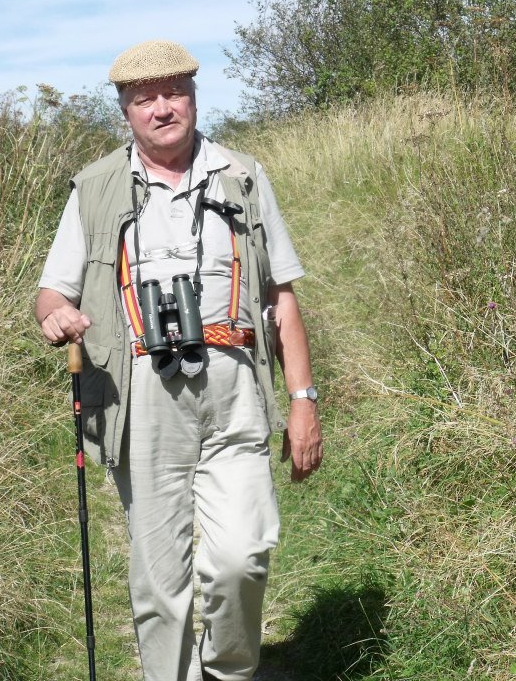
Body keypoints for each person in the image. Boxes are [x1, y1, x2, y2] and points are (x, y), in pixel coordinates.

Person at [34, 39, 323, 681]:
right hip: (142, 396)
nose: (163, 109)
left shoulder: (242, 175)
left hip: (237, 390)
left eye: (174, 93)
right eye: (146, 99)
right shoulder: (96, 188)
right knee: (160, 582)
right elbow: (53, 290)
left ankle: (229, 670)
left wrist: (303, 404)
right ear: (126, 111)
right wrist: (55, 314)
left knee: (241, 558)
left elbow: (282, 295)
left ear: (193, 96)